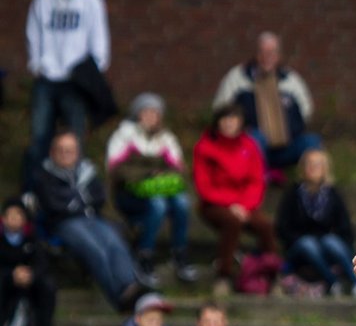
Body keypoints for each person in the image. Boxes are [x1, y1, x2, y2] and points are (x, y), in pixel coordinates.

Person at [32, 130, 146, 311]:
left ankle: (131, 287)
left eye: (69, 150)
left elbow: (98, 198)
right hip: (64, 224)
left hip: (92, 219)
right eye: (60, 150)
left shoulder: (87, 171)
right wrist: (79, 202)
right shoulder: (43, 176)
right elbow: (53, 205)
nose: (65, 154)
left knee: (115, 243)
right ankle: (119, 297)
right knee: (95, 250)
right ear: (52, 153)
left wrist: (72, 201)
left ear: (77, 152)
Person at [22, 0, 110, 190]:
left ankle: (74, 194)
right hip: (47, 79)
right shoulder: (43, 0)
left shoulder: (91, 1)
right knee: (39, 139)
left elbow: (99, 40)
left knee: (74, 140)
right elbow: (33, 34)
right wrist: (37, 65)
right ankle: (33, 194)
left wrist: (91, 73)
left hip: (76, 81)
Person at [106, 92, 194, 283]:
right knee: (158, 205)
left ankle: (180, 254)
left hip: (160, 191)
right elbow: (115, 170)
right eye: (146, 112)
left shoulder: (166, 138)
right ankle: (145, 256)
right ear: (137, 114)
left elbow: (179, 168)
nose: (151, 116)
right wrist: (149, 173)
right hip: (128, 195)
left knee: (182, 203)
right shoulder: (124, 136)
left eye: (155, 112)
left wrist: (158, 174)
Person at [193, 104, 278, 295]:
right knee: (232, 222)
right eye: (225, 119)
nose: (229, 123)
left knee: (266, 225)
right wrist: (232, 205)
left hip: (245, 205)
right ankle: (224, 276)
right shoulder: (205, 147)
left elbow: (257, 181)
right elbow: (204, 186)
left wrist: (244, 205)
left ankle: (271, 276)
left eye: (233, 118)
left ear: (240, 122)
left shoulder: (250, 146)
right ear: (217, 123)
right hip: (214, 204)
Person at [212, 31, 321, 174]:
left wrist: (291, 128)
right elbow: (220, 108)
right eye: (263, 52)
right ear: (256, 53)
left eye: (272, 52)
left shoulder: (291, 80)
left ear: (279, 55)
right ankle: (258, 175)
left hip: (288, 145)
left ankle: (307, 184)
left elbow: (307, 111)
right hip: (251, 146)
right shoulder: (238, 77)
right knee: (255, 138)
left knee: (312, 141)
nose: (267, 57)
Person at [275, 148, 356, 297]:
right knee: (308, 244)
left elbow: (345, 226)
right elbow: (282, 226)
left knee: (331, 242)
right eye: (309, 164)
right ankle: (332, 281)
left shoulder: (333, 194)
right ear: (302, 168)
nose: (312, 169)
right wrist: (294, 240)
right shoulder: (293, 194)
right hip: (300, 246)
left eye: (317, 165)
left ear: (324, 169)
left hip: (327, 244)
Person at [1, 197, 57, 326]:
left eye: (18, 214)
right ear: (4, 219)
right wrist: (12, 274)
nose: (14, 219)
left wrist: (30, 275)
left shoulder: (32, 239)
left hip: (29, 282)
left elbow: (42, 263)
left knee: (47, 285)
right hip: (6, 281)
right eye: (10, 215)